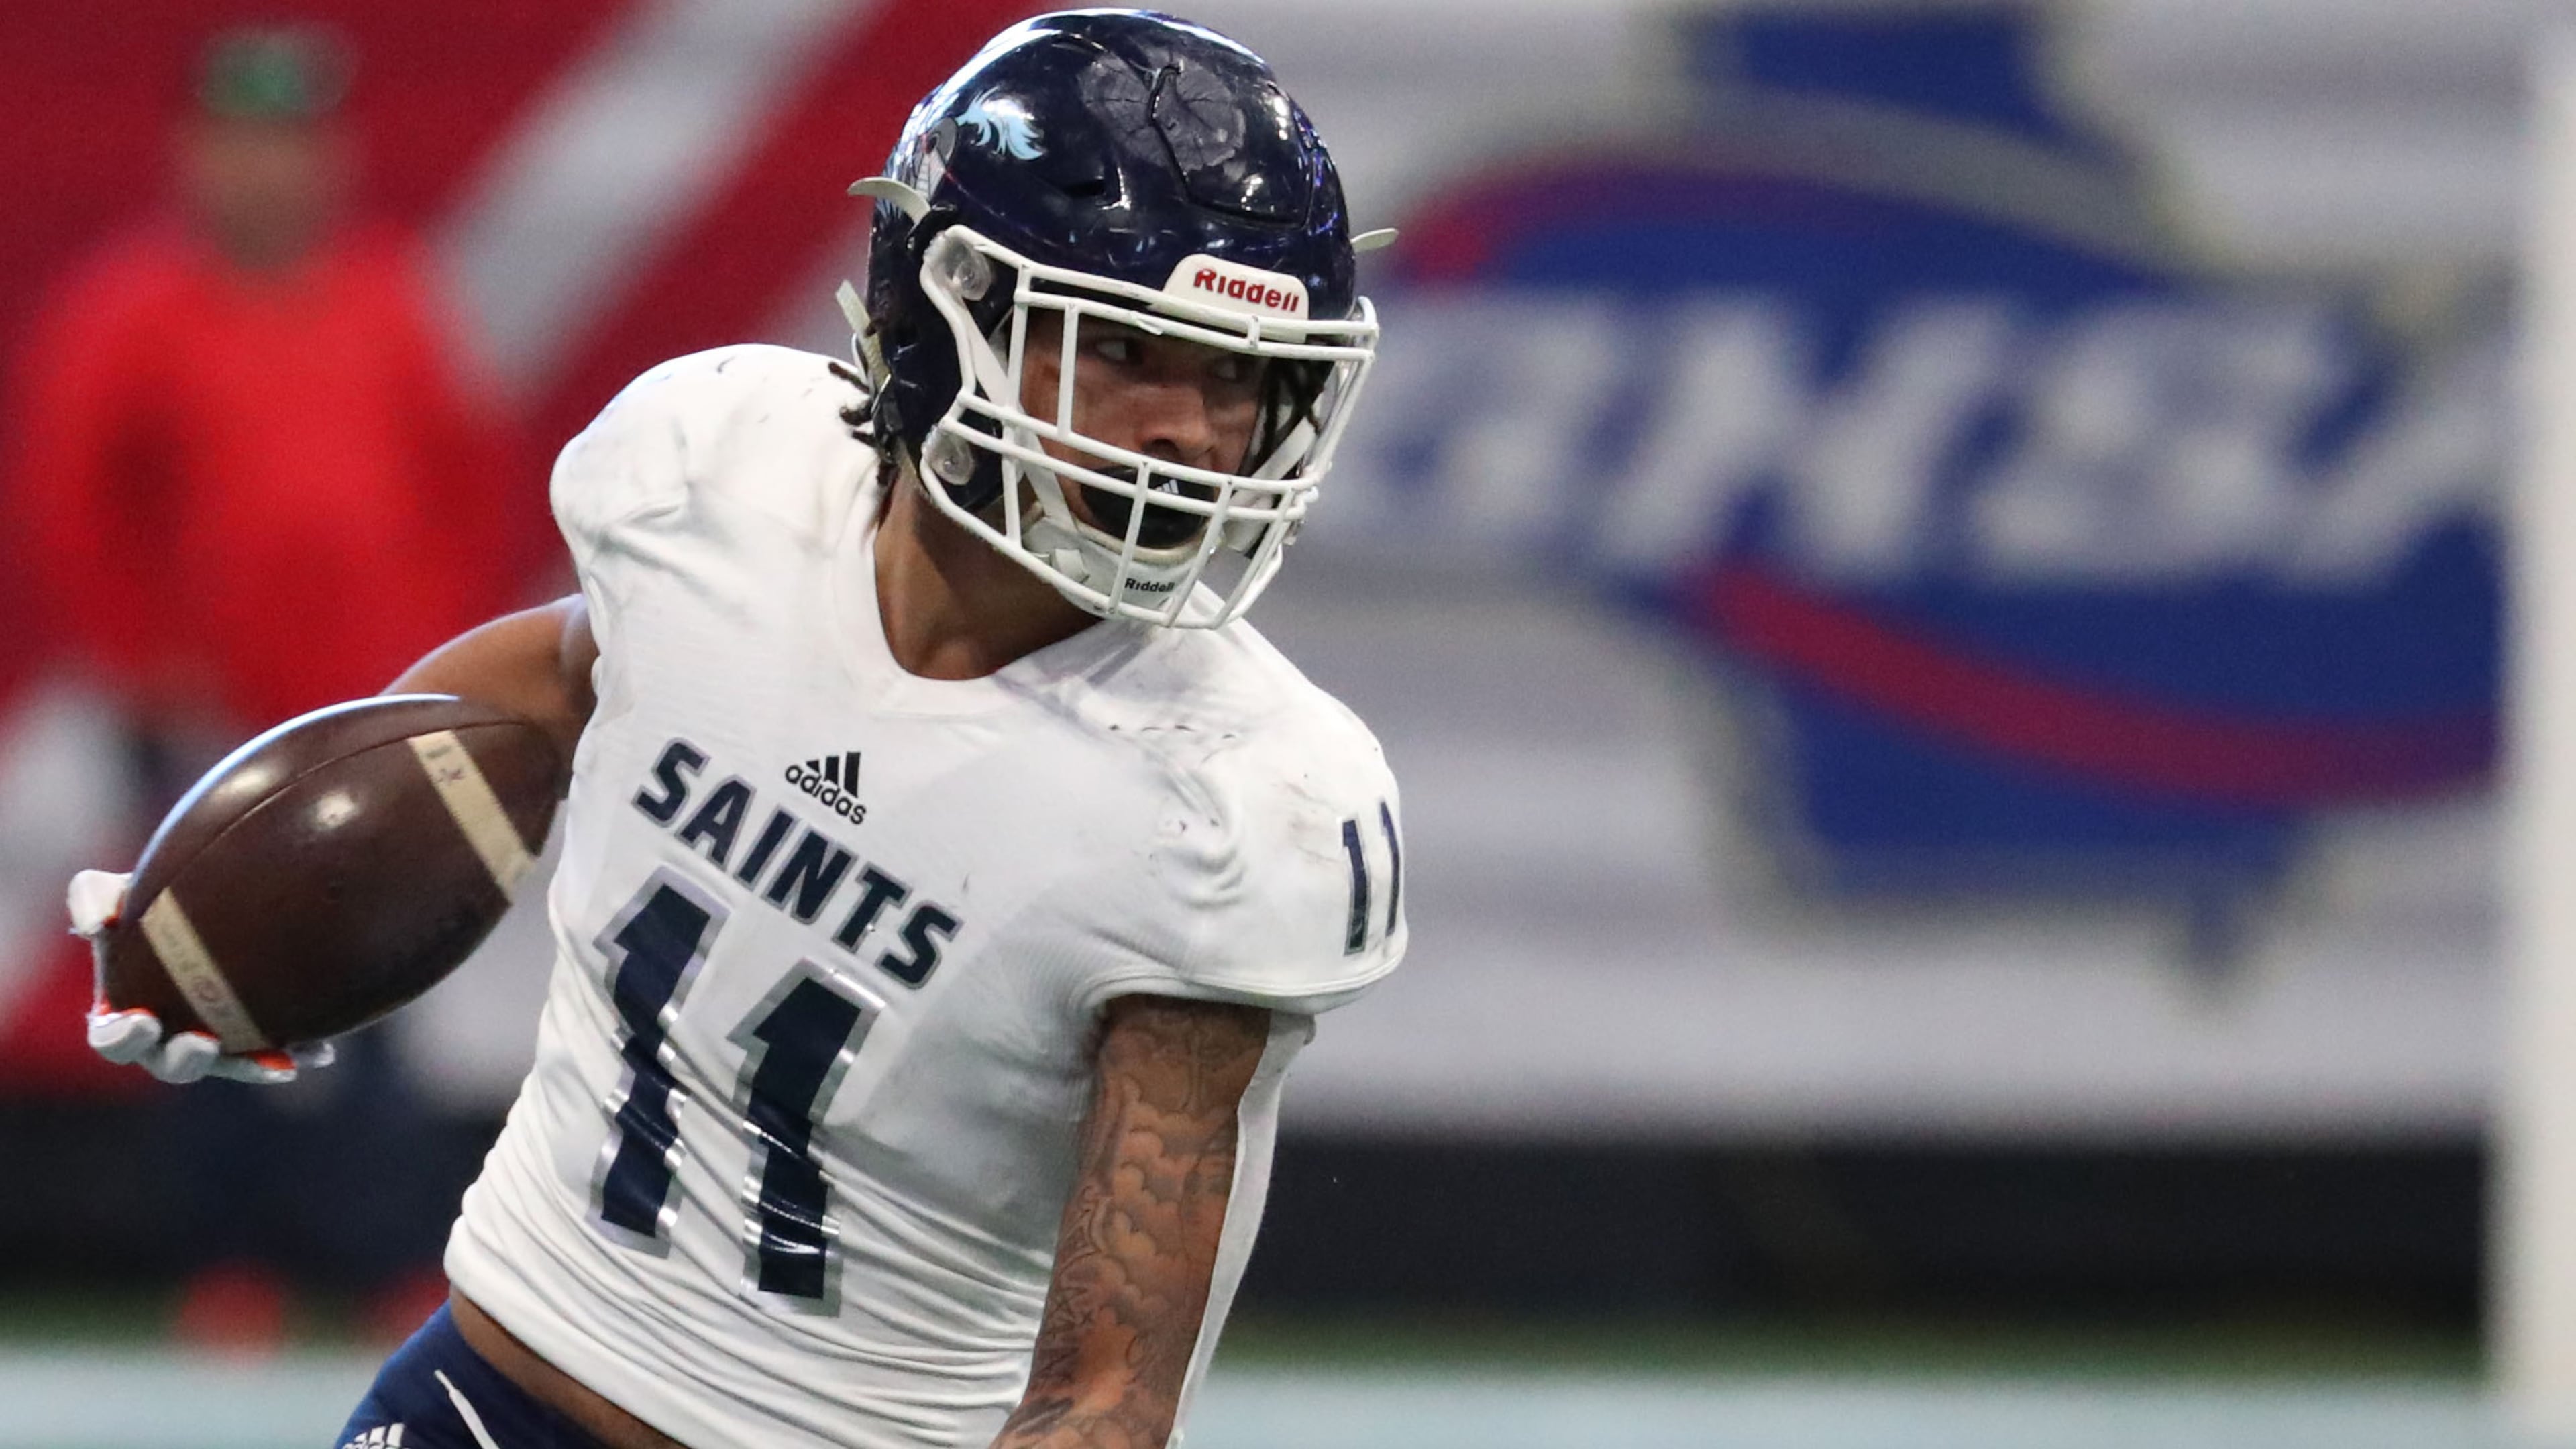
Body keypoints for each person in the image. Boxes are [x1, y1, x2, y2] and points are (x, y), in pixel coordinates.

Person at [77, 11, 1406, 1447]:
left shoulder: (1232, 796)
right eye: (1132, 349)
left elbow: (1106, 1396)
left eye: (1237, 378)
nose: (1195, 436)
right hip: (493, 1386)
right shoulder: (724, 476)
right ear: (941, 315)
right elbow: (562, 680)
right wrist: (270, 882)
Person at [11, 25, 529, 1348]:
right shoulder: (133, 312)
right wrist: (146, 662)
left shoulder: (389, 295)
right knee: (203, 1001)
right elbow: (76, 511)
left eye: (290, 141)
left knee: (392, 1005)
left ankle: (393, 1264)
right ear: (196, 153)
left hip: (370, 730)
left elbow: (464, 481)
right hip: (213, 736)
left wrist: (445, 662)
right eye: (240, 140)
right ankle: (231, 1266)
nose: (267, 169)